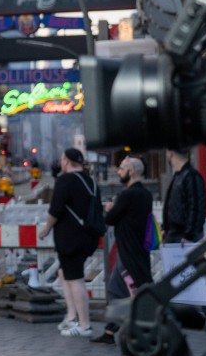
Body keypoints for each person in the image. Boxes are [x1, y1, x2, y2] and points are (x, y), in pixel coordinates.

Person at [92, 156, 153, 345]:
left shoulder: (128, 195)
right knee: (115, 290)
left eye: (122, 168)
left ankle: (146, 330)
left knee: (136, 292)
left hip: (128, 253)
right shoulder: (146, 194)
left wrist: (110, 208)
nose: (118, 171)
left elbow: (110, 219)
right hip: (137, 249)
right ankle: (110, 333)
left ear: (132, 171)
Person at [39, 147, 100, 338]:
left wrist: (46, 228)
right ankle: (72, 316)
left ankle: (84, 325)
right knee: (64, 273)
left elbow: (55, 209)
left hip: (70, 238)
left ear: (66, 161)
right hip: (88, 236)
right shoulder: (91, 182)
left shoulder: (64, 180)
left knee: (75, 279)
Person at [163, 147, 206, 331]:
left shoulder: (190, 176)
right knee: (178, 275)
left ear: (170, 153)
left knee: (196, 274)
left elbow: (197, 206)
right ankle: (178, 315)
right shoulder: (180, 176)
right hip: (175, 234)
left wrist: (190, 233)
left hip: (183, 235)